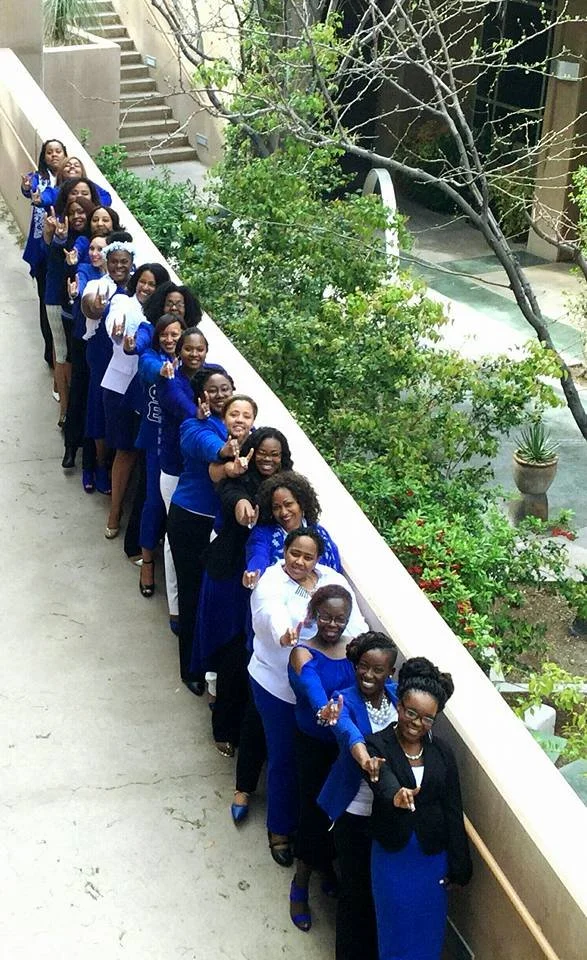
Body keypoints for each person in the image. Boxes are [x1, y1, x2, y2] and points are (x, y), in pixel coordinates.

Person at [248, 527, 368, 868]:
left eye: (308, 556)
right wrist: (286, 635)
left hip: (322, 681)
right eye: (294, 554)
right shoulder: (271, 581)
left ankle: (313, 840)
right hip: (277, 684)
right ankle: (280, 829)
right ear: (284, 552)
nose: (299, 561)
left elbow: (354, 622)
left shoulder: (332, 579)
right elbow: (272, 614)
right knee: (283, 757)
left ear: (318, 559)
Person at [365, 657, 472, 960]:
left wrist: (460, 865)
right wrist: (395, 795)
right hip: (393, 857)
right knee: (395, 933)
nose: (416, 722)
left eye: (426, 718)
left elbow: (453, 807)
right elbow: (380, 778)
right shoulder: (378, 745)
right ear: (399, 706)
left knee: (428, 936)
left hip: (432, 860)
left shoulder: (442, 752)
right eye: (411, 712)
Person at [195, 427, 293, 757]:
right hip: (231, 577)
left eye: (274, 454)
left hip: (269, 581)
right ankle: (224, 726)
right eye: (262, 452)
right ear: (252, 451)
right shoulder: (237, 476)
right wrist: (242, 507)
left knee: (258, 656)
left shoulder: (289, 487)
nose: (267, 459)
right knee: (232, 651)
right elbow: (230, 496)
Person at [318, 631, 399, 960]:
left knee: (377, 891)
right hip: (354, 811)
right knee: (354, 893)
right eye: (363, 667)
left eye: (378, 670)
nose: (368, 675)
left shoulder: (398, 699)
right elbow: (346, 729)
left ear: (390, 674)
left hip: (386, 814)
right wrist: (364, 757)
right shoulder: (343, 699)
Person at [167, 368, 242, 693]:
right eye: (214, 390)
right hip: (189, 520)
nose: (221, 395)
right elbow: (209, 447)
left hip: (219, 527)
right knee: (192, 593)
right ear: (202, 397)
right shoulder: (193, 426)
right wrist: (228, 453)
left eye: (226, 388)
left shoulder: (241, 426)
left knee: (211, 599)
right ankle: (190, 668)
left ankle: (208, 662)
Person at [287, 585, 357, 932]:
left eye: (340, 618)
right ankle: (300, 883)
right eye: (326, 616)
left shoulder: (354, 651)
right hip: (314, 745)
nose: (332, 624)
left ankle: (327, 866)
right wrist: (327, 710)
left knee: (340, 813)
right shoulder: (302, 653)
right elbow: (314, 692)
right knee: (313, 814)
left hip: (343, 748)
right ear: (314, 615)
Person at [101, 263, 170, 539]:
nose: (145, 288)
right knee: (125, 452)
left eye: (152, 284)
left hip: (152, 398)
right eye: (142, 281)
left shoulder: (165, 320)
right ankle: (115, 511)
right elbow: (114, 323)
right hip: (121, 388)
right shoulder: (122, 302)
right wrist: (120, 336)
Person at [157, 327, 211, 631]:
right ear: (179, 351)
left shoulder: (212, 377)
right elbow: (185, 410)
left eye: (199, 349)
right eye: (188, 349)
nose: (194, 354)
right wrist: (200, 414)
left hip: (198, 474)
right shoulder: (169, 381)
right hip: (175, 469)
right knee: (173, 538)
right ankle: (176, 607)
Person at [134, 312, 188, 593]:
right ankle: (147, 563)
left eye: (174, 334)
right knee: (153, 502)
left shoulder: (191, 363)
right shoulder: (151, 358)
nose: (169, 339)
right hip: (157, 441)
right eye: (164, 334)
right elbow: (148, 367)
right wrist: (164, 371)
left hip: (184, 447)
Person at [82, 231, 134, 495]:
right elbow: (89, 305)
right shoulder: (98, 285)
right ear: (106, 262)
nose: (119, 266)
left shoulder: (139, 290)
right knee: (99, 411)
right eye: (114, 261)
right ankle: (100, 465)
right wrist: (96, 306)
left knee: (120, 415)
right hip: (102, 358)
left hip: (128, 362)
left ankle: (115, 464)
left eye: (124, 261)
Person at [244, 470, 342, 588]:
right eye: (276, 507)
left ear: (301, 503)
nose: (284, 512)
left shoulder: (320, 533)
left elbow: (337, 571)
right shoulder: (263, 534)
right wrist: (254, 572)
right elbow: (258, 555)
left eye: (288, 504)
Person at [62, 234, 107, 484]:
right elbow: (85, 294)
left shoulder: (119, 276)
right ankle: (73, 450)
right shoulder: (85, 270)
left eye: (100, 248)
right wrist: (78, 295)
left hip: (107, 351)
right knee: (80, 395)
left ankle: (93, 462)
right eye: (92, 247)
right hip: (83, 343)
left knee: (96, 404)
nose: (95, 252)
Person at [43, 195, 92, 426]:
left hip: (82, 311)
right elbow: (52, 259)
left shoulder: (95, 240)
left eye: (82, 211)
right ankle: (66, 410)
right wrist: (58, 239)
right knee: (62, 355)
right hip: (58, 301)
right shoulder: (62, 236)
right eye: (72, 212)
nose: (77, 216)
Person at [21, 138, 67, 367]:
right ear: (44, 156)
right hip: (42, 252)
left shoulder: (71, 180)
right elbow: (29, 191)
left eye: (58, 151)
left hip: (64, 249)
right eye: (49, 152)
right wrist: (27, 188)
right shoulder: (38, 178)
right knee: (45, 302)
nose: (54, 155)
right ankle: (50, 353)